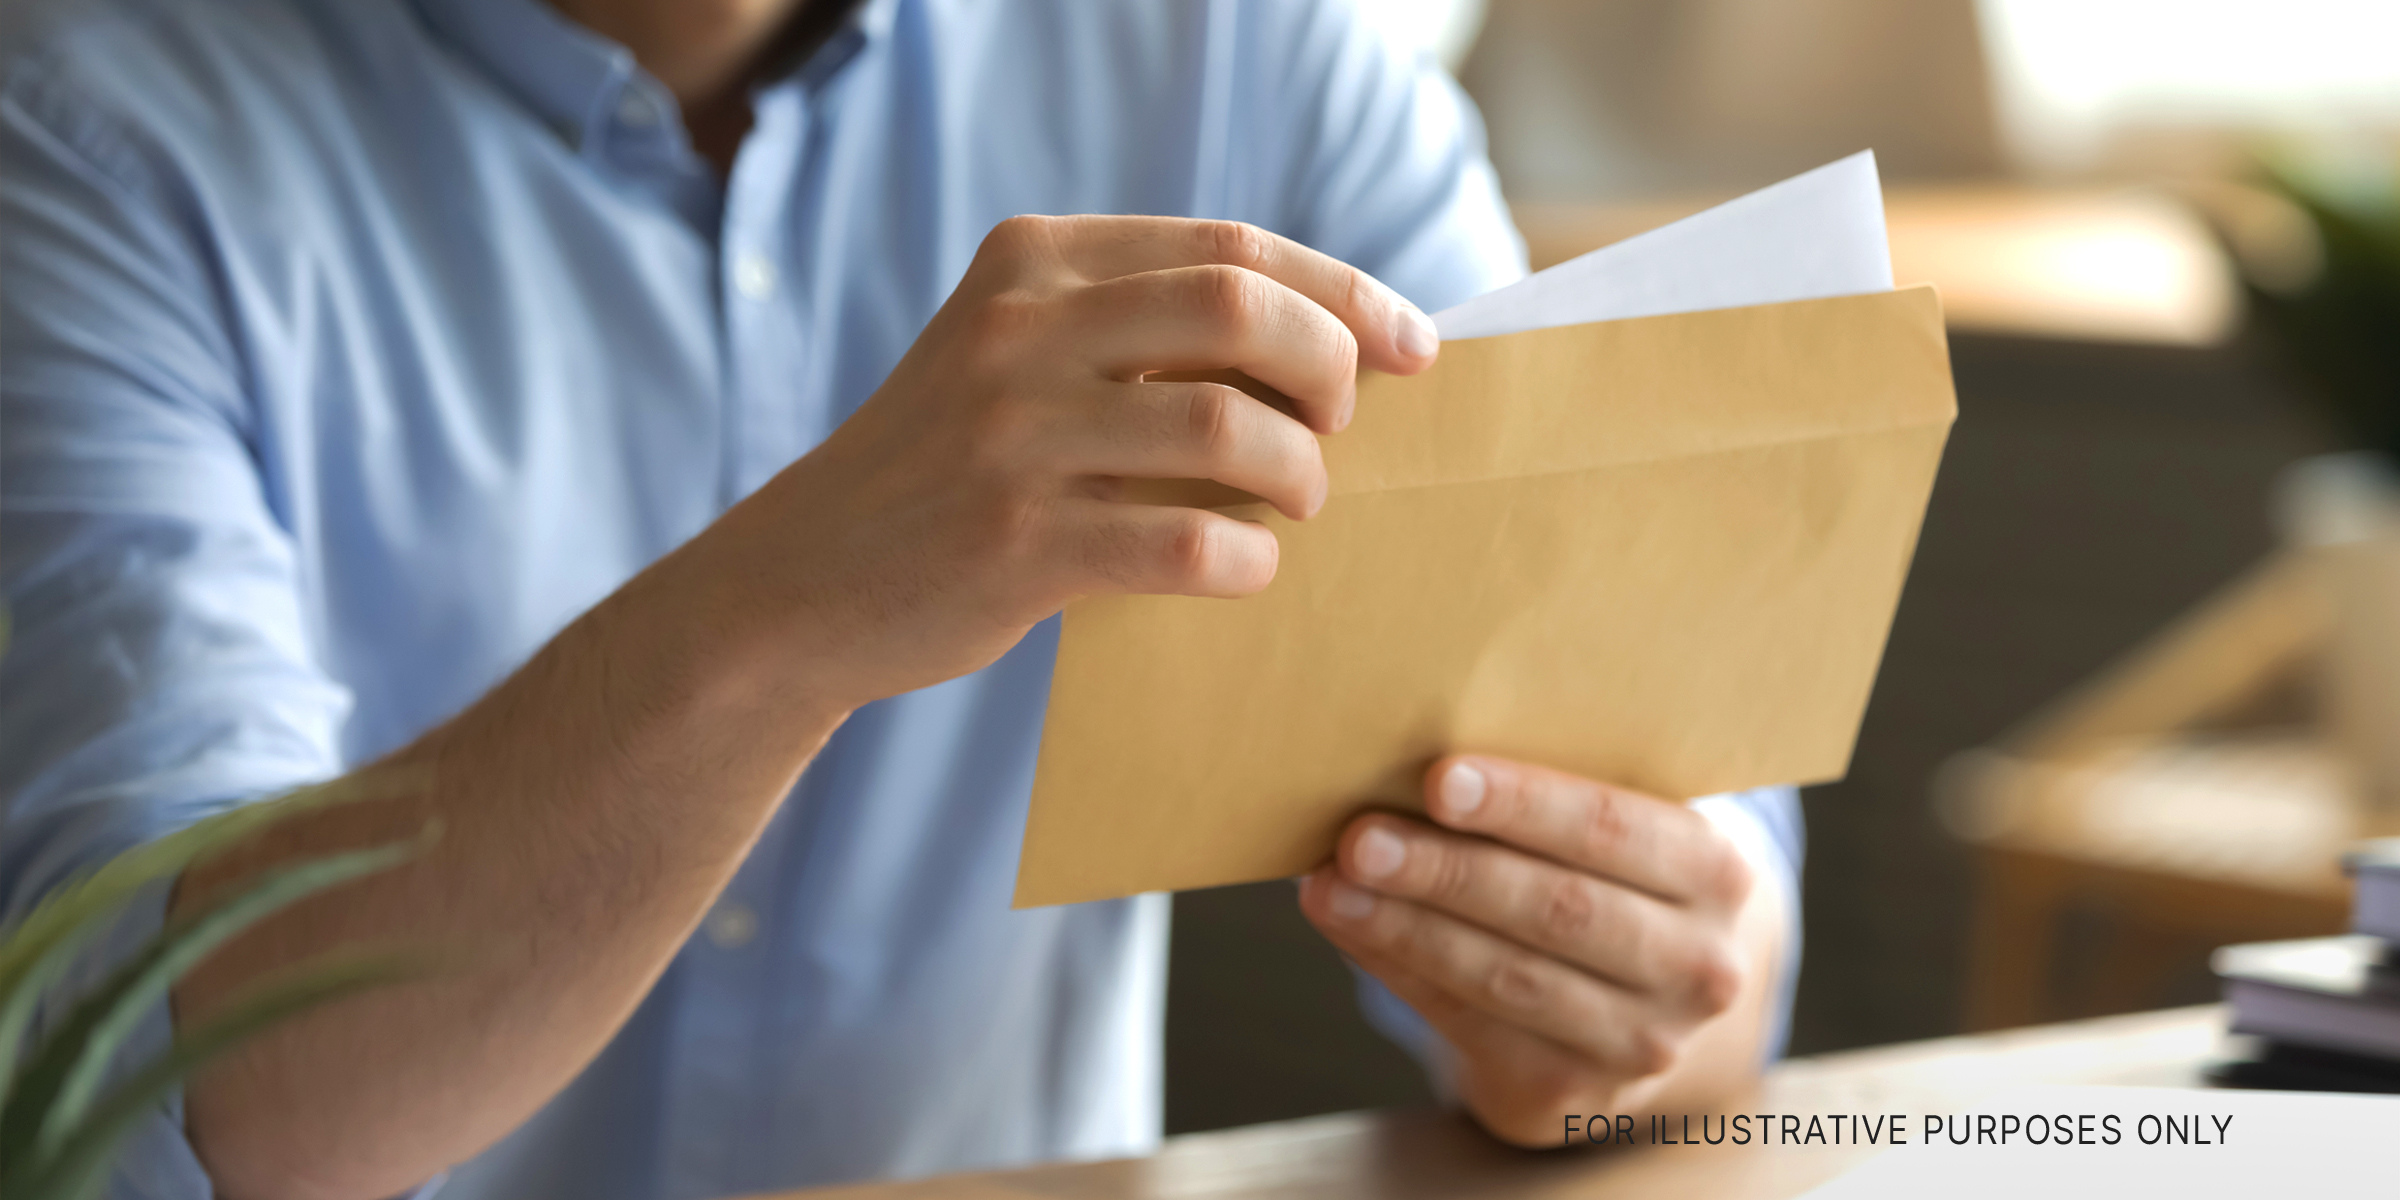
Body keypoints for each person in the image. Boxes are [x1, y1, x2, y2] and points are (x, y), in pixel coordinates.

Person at [0, 0, 1804, 1197]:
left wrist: (1639, 1003)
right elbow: (163, 1097)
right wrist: (796, 597)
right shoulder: (75, 126)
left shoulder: (1243, 52)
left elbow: (1678, 891)